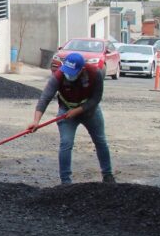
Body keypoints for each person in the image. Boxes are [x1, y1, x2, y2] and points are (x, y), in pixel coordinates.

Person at [29, 51, 115, 185]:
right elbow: (45, 97)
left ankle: (108, 175)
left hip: (90, 112)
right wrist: (36, 121)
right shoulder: (59, 75)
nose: (69, 75)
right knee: (66, 143)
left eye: (72, 72)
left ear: (82, 69)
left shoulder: (95, 73)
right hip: (66, 111)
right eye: (67, 71)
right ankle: (65, 182)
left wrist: (78, 111)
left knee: (100, 141)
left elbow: (96, 98)